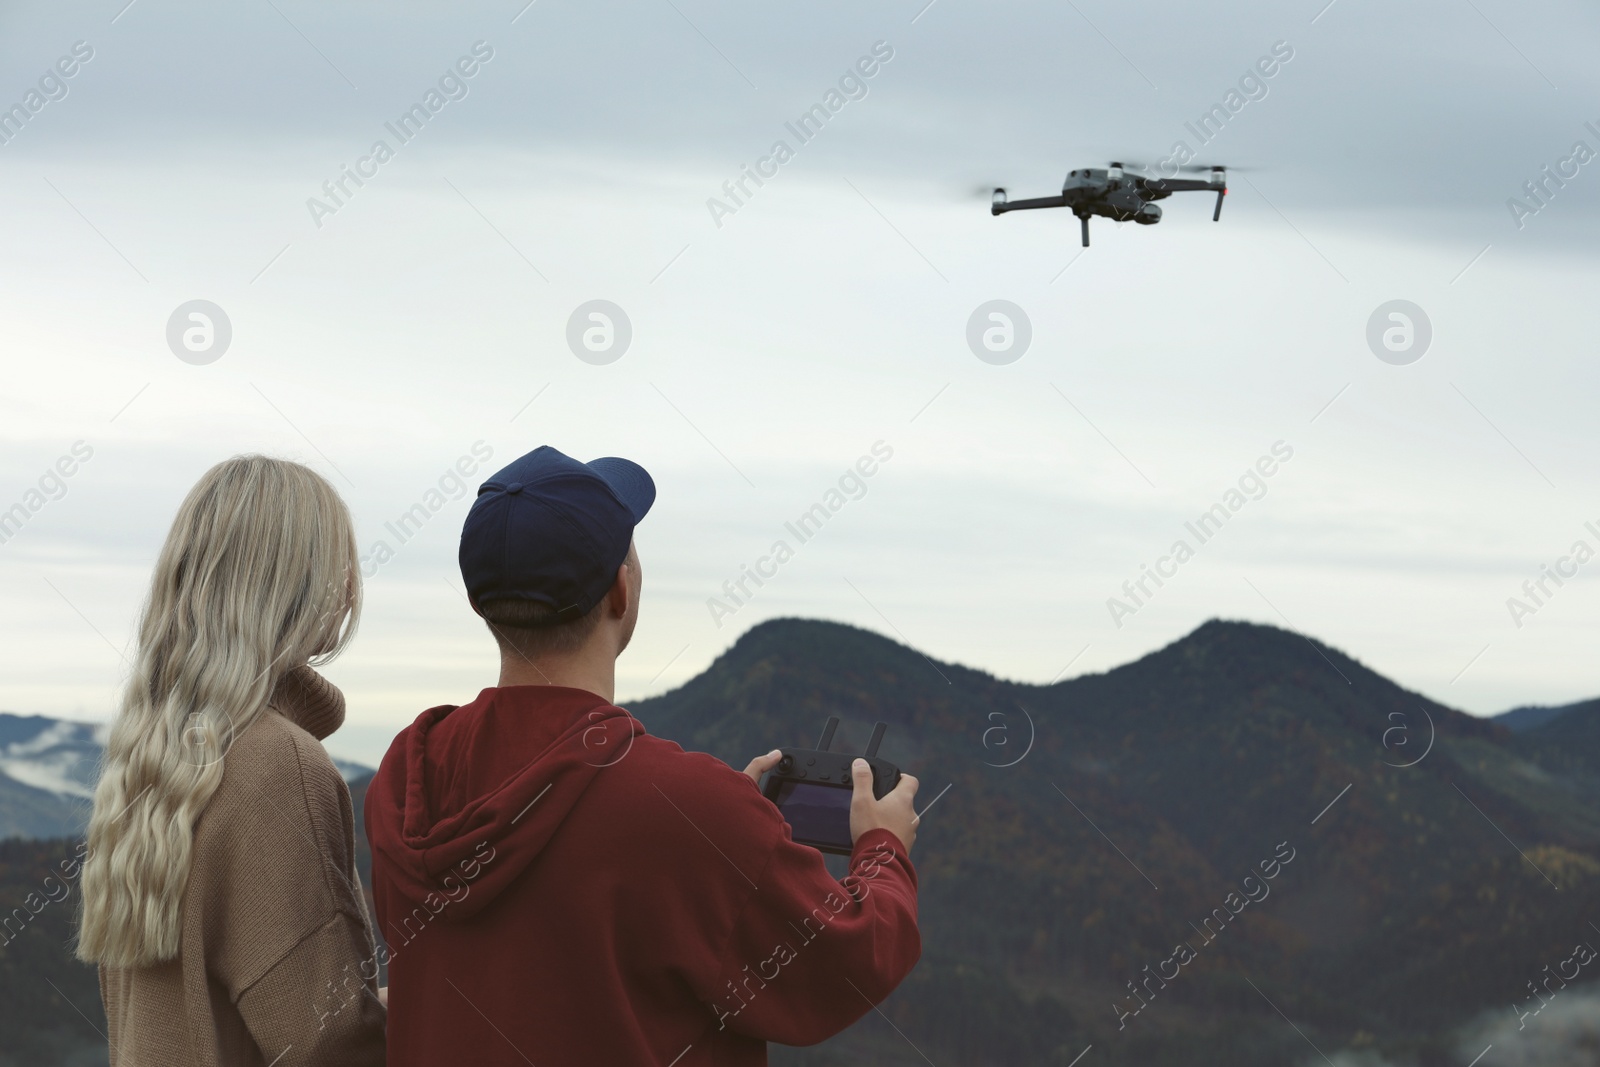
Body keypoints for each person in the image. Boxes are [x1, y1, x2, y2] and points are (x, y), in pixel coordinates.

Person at [365, 445, 922, 1066]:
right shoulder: (689, 811)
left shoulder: (407, 775)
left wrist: (719, 836)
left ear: (479, 600)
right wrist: (882, 849)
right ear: (619, 592)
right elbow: (842, 965)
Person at [78, 456, 386, 1066]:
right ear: (298, 586)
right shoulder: (276, 762)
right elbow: (329, 1042)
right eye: (341, 563)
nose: (352, 585)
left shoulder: (153, 755)